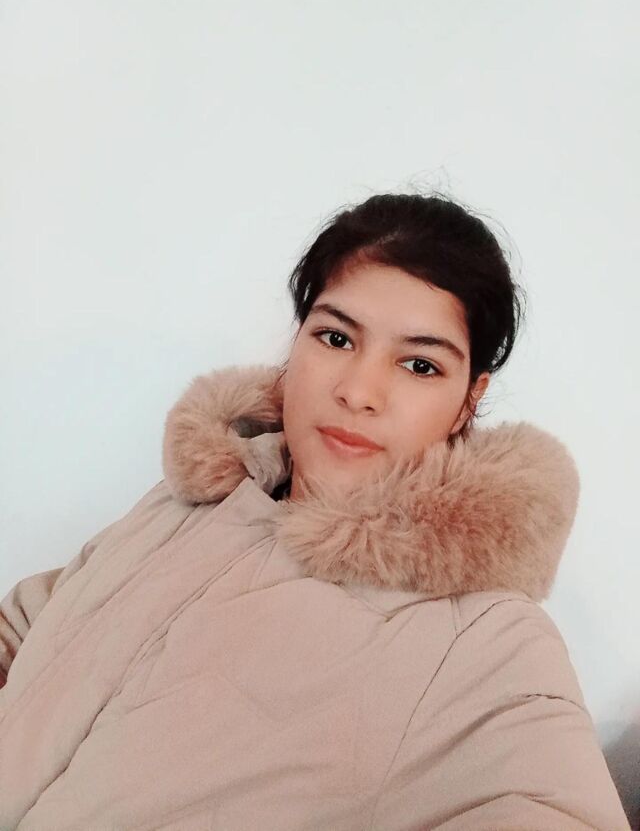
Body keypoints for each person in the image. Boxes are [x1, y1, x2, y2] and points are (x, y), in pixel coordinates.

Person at [0, 193, 631, 830]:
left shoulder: (485, 640)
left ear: (469, 401)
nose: (358, 391)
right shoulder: (195, 500)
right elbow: (31, 624)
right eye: (336, 337)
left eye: (420, 364)